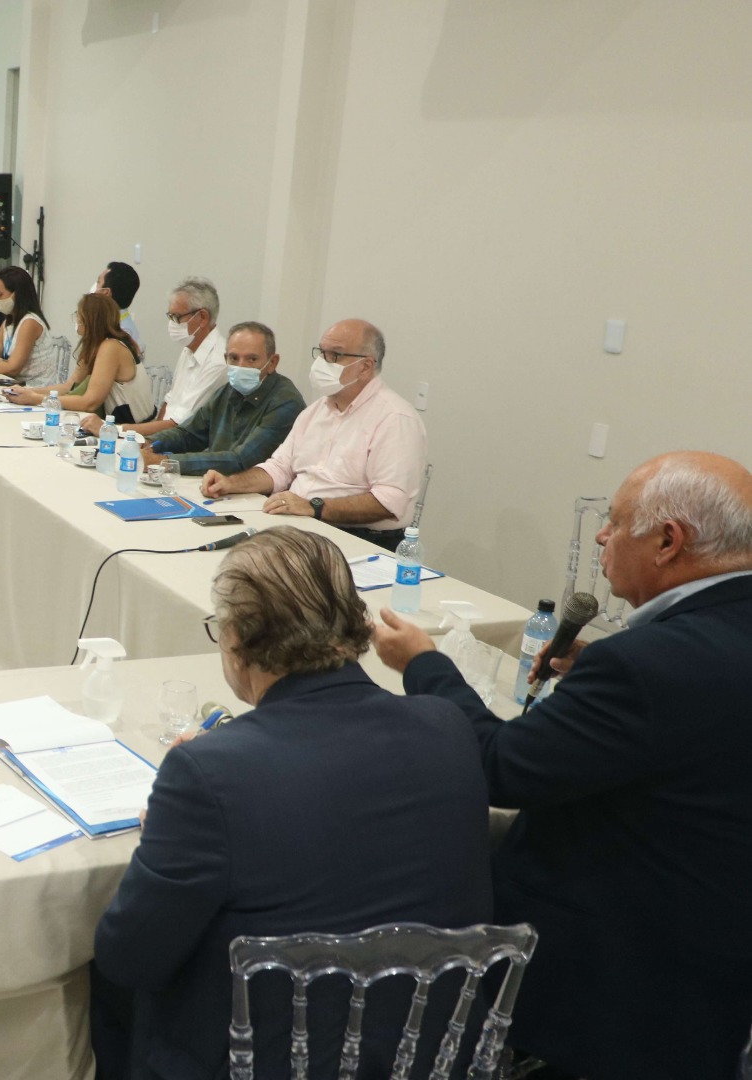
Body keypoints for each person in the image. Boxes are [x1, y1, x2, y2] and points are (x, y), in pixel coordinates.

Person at [373, 451, 752, 1080]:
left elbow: (499, 768)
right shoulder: (697, 643)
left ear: (667, 541)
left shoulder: (643, 665)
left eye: (615, 520)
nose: (602, 535)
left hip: (616, 975)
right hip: (718, 954)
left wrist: (423, 663)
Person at [92, 527, 491, 1080]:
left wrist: (169, 819)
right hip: (421, 1051)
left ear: (237, 639)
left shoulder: (206, 775)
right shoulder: (446, 726)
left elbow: (128, 954)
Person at [202, 318, 426, 550]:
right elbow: (279, 468)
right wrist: (230, 483)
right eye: (321, 352)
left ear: (366, 367)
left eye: (335, 356)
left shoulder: (395, 418)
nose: (322, 362)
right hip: (301, 527)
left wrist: (315, 507)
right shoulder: (316, 411)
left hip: (359, 539)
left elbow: (390, 502)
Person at [141, 321, 304, 476]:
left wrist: (164, 462)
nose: (241, 366)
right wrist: (148, 443)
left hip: (255, 496)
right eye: (233, 358)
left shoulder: (286, 401)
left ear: (272, 363)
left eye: (252, 359)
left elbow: (240, 461)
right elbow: (189, 434)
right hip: (217, 486)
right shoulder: (228, 391)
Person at [81, 276, 225, 440]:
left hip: (185, 447)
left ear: (202, 317)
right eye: (170, 317)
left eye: (176, 317)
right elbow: (169, 402)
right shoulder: (190, 349)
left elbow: (179, 423)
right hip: (164, 438)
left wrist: (113, 430)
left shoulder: (217, 362)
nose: (172, 324)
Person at [6, 293, 153, 422]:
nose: (76, 318)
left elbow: (90, 402)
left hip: (131, 428)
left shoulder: (111, 347)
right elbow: (69, 386)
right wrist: (29, 392)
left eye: (78, 314)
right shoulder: (95, 345)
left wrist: (37, 399)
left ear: (89, 319)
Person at [93, 261, 144, 358]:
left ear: (106, 292)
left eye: (98, 282)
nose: (94, 288)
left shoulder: (120, 336)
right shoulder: (111, 322)